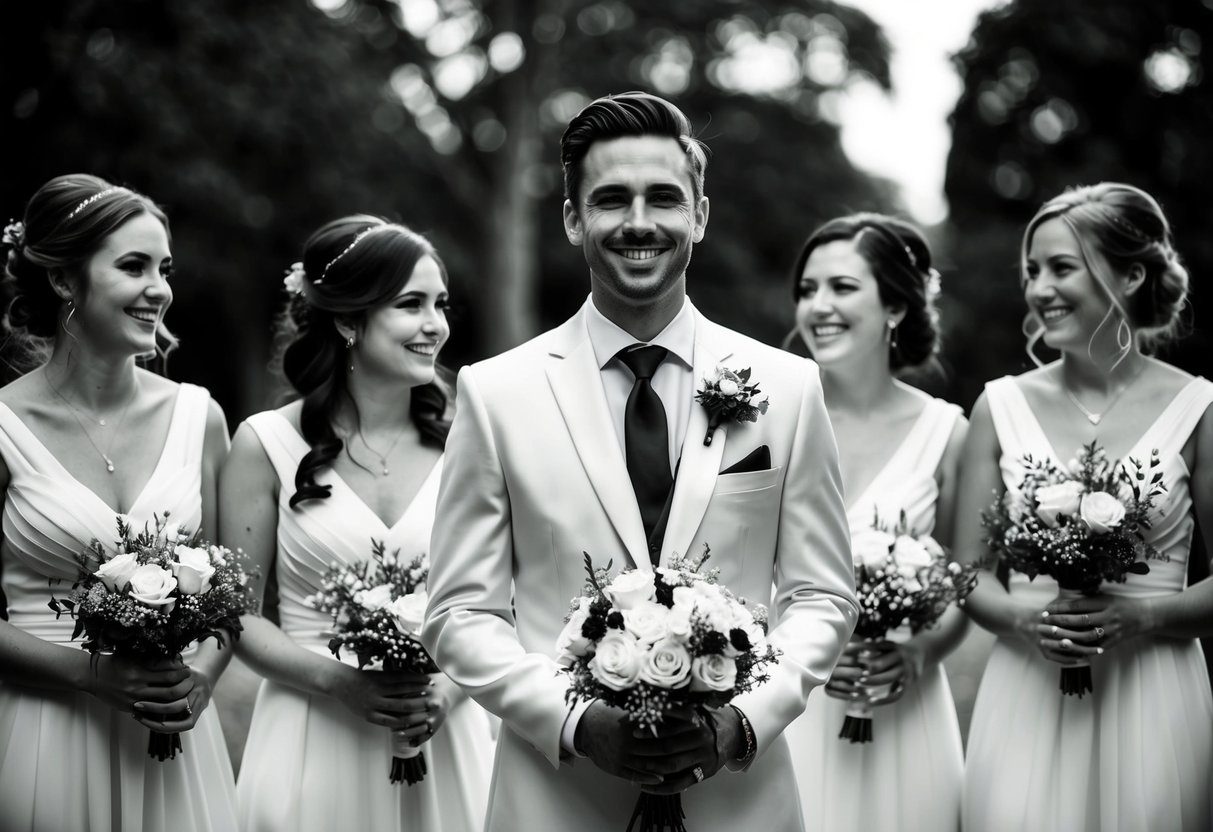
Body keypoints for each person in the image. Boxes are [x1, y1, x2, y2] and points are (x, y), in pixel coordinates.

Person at [421, 91, 858, 832]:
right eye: (609, 199)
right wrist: (574, 721)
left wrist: (742, 719)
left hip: (738, 802)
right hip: (555, 800)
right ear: (571, 219)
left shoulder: (786, 387)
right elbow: (460, 611)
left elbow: (822, 596)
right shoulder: (495, 392)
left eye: (663, 198)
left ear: (699, 216)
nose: (637, 222)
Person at [219, 216, 494, 832]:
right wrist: (341, 682)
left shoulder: (472, 444)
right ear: (347, 320)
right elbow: (236, 613)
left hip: (445, 738)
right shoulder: (264, 445)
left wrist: (447, 692)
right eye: (410, 305)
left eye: (440, 304)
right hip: (311, 734)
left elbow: (499, 599)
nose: (436, 325)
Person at [955, 183, 1213, 831]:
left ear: (1129, 275)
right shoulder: (998, 407)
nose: (1039, 289)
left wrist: (1140, 617)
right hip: (1026, 689)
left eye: (1061, 268)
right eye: (1031, 272)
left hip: (1152, 691)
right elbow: (966, 574)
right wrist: (1024, 620)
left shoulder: (1198, 411)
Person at [0, 174, 236, 831]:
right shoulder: (3, 427)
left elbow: (233, 593)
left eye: (164, 268)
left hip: (175, 745)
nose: (158, 288)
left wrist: (202, 679)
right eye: (133, 266)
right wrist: (88, 674)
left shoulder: (200, 417)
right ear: (63, 281)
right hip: (45, 732)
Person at [780, 214, 968, 831]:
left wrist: (917, 652)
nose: (819, 307)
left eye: (841, 287)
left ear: (894, 307)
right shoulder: (768, 422)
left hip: (902, 709)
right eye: (808, 290)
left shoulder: (947, 432)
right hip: (790, 703)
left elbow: (966, 587)